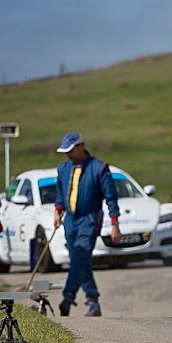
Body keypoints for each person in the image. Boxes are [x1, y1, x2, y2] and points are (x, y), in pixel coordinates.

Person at [54, 132, 122, 317]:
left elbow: (111, 197)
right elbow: (60, 193)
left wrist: (115, 224)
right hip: (70, 220)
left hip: (89, 220)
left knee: (80, 256)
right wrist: (57, 210)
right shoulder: (63, 169)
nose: (67, 154)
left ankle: (68, 297)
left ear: (80, 147)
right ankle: (93, 300)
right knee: (79, 260)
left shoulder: (99, 168)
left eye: (70, 150)